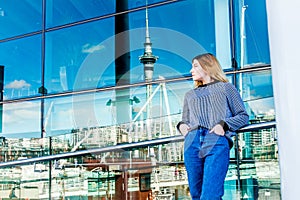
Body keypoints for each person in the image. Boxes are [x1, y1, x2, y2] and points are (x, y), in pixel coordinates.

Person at [177, 53, 249, 199]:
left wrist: (223, 125)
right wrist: (182, 127)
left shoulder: (226, 88)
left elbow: (243, 116)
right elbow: (185, 120)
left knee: (211, 195)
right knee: (196, 195)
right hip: (192, 142)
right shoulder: (190, 95)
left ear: (208, 67)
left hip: (215, 140)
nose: (191, 70)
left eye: (195, 66)